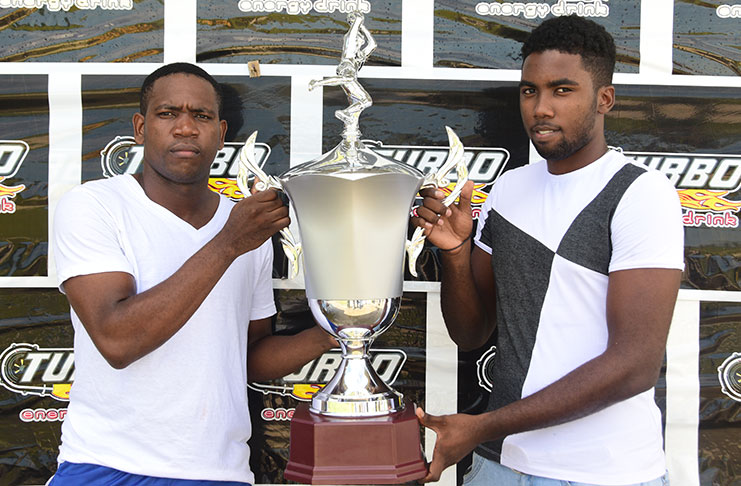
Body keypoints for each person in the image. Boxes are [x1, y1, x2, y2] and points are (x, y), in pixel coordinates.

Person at [412, 16, 684, 486]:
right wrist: (455, 254)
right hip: (501, 467)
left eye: (562, 90)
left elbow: (635, 365)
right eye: (529, 91)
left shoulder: (641, 193)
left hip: (606, 473)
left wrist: (482, 426)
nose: (540, 108)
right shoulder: (508, 190)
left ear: (605, 99)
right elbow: (471, 333)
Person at [50, 63, 334, 485]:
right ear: (141, 128)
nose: (185, 128)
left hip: (220, 472)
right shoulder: (94, 206)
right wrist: (229, 243)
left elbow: (248, 358)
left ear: (221, 134)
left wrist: (341, 329)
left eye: (200, 116)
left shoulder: (245, 228)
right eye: (168, 114)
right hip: (108, 466)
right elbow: (117, 339)